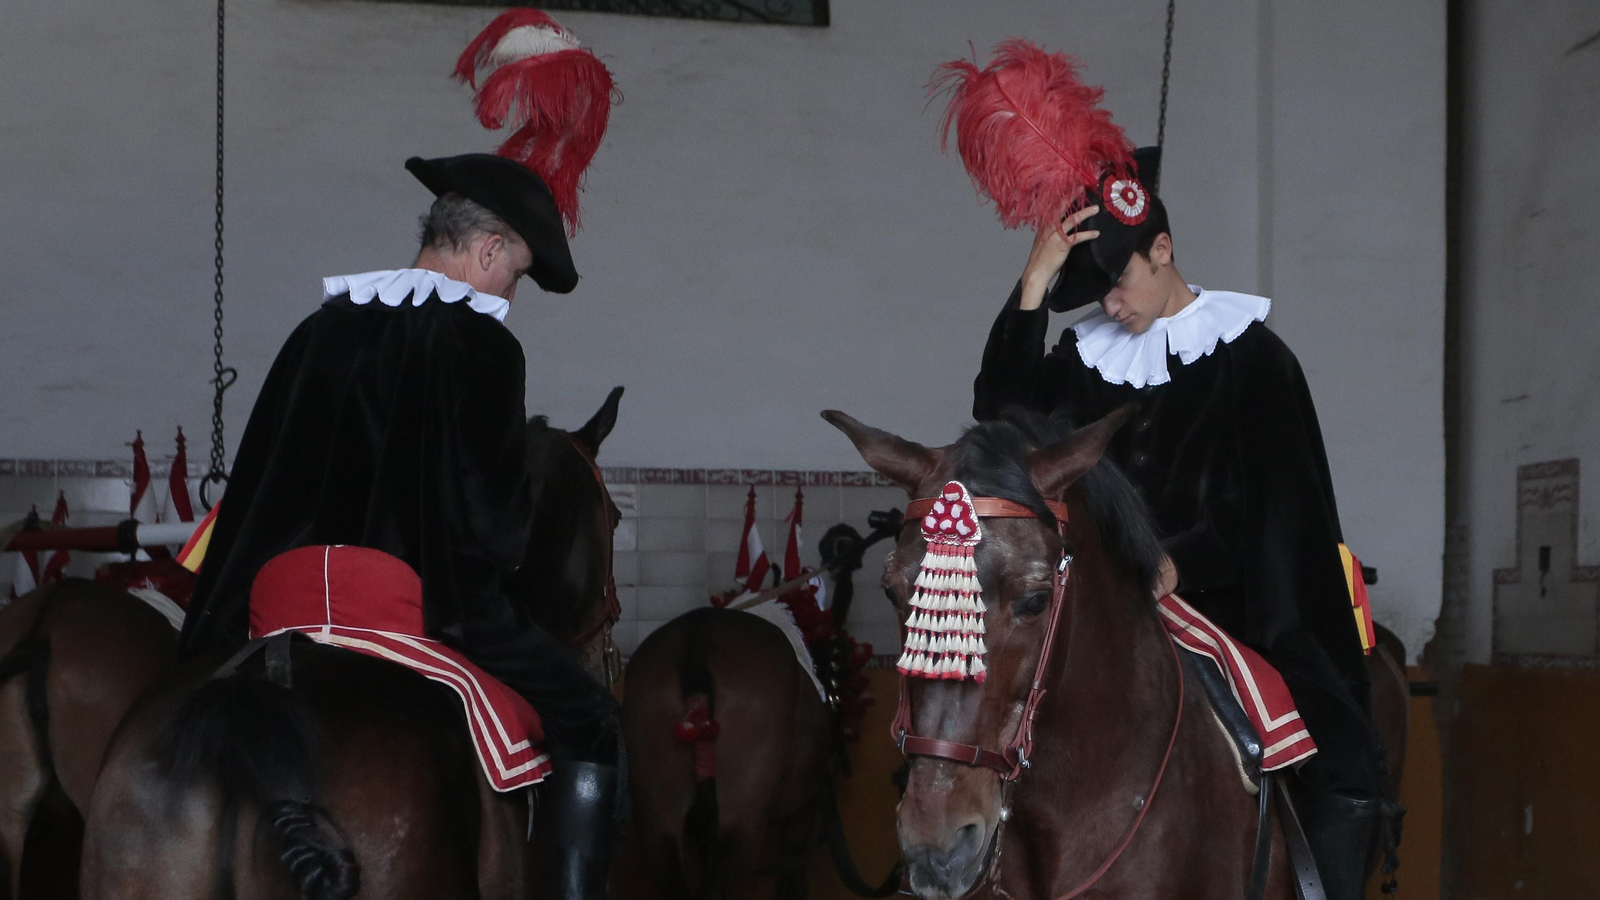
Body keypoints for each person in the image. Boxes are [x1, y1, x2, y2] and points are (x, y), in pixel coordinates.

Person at [180, 10, 624, 897]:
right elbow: (486, 523)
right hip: (418, 608)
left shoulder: (323, 325)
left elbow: (264, 477)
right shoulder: (482, 346)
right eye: (516, 272)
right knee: (595, 718)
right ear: (491, 247)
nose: (511, 291)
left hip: (276, 594)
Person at [972, 147, 1387, 900]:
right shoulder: (1085, 357)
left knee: (1341, 749)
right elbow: (1002, 414)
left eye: (1120, 281)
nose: (1109, 306)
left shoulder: (1256, 360)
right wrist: (1035, 279)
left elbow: (1278, 508)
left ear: (1161, 249)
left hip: (1229, 601)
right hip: (1103, 604)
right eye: (1092, 292)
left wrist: (1175, 565)